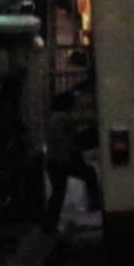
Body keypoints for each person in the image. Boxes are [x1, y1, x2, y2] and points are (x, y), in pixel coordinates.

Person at [43, 89, 101, 232]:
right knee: (87, 174)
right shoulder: (61, 117)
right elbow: (79, 121)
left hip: (56, 161)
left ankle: (49, 225)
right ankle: (95, 202)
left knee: (58, 194)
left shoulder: (56, 118)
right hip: (61, 161)